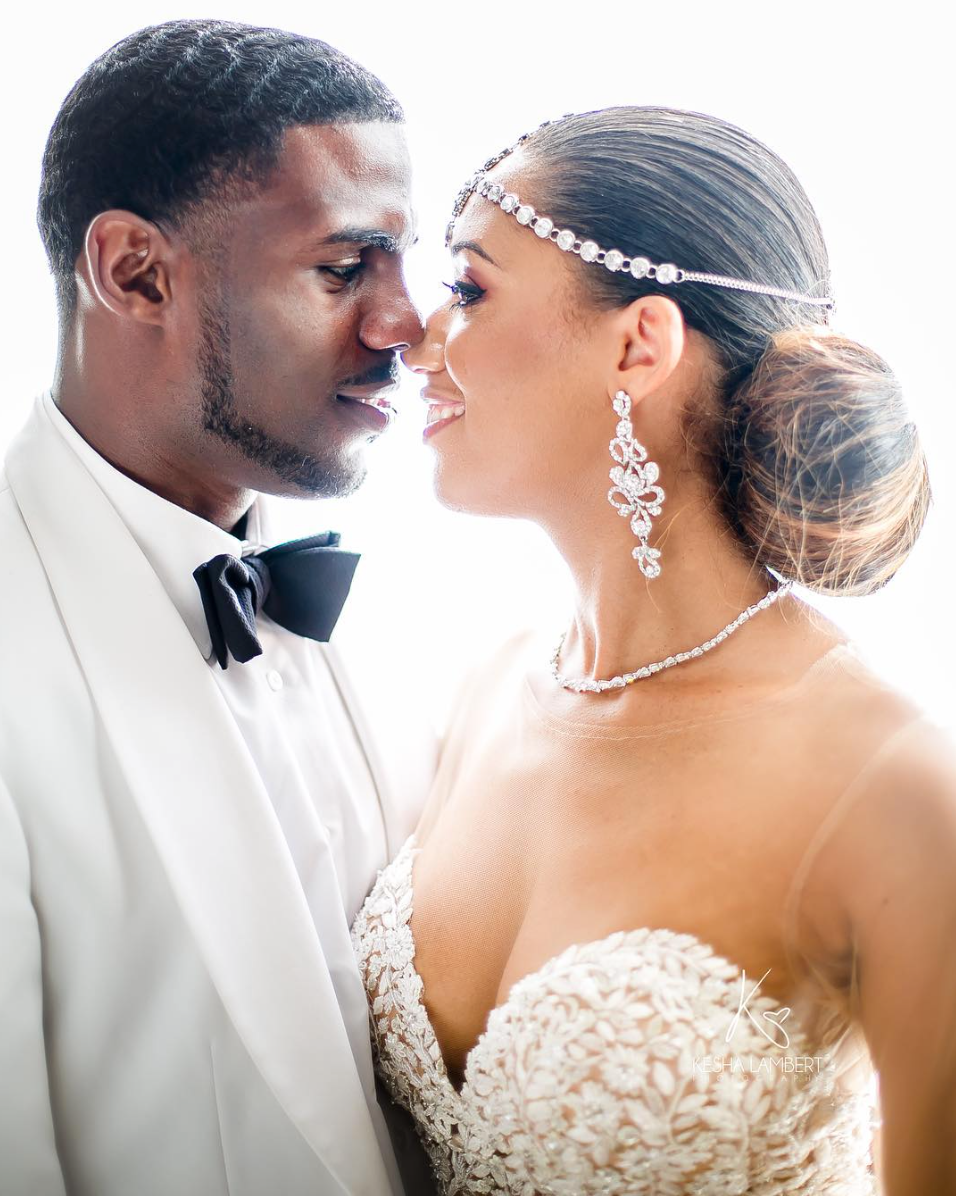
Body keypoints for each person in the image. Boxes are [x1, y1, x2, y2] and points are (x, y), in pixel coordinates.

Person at [350, 107, 956, 1195]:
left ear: (640, 343)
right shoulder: (485, 691)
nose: (414, 332)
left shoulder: (892, 788)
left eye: (471, 288)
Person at [0, 19, 439, 1196]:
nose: (407, 324)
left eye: (406, 266)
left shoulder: (426, 626)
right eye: (345, 269)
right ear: (135, 270)